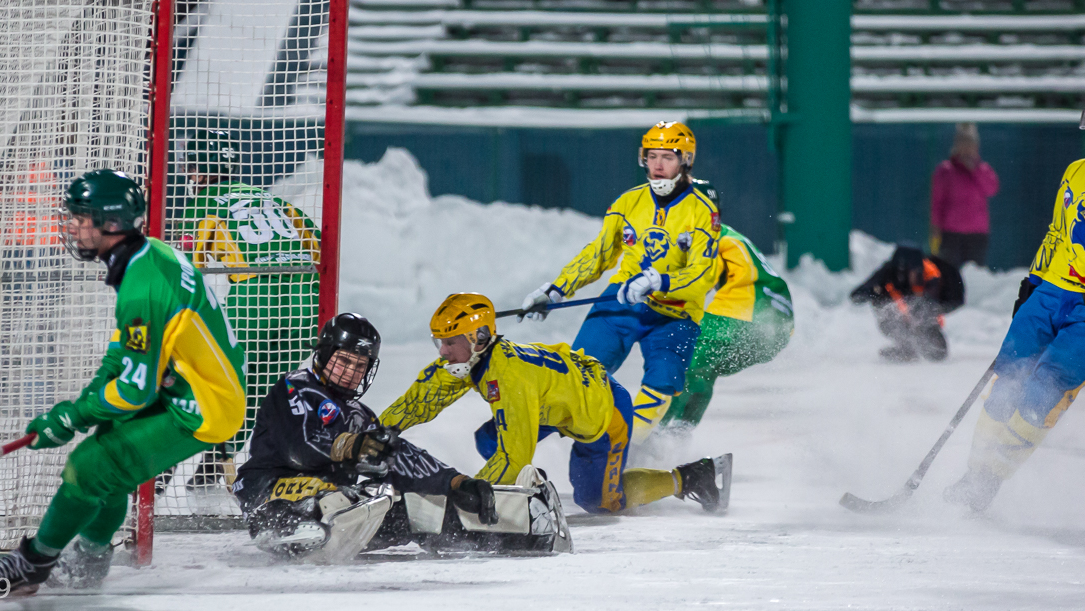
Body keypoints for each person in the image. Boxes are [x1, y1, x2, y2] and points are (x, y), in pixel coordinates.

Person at [0, 169, 247, 596]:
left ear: (111, 223)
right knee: (109, 465)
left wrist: (73, 416)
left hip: (202, 406)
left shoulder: (141, 287)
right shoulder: (149, 254)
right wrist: (84, 406)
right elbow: (124, 354)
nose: (71, 227)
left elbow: (135, 390)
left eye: (81, 218)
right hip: (183, 384)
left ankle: (33, 563)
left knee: (88, 466)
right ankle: (91, 561)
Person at [944, 87, 1085, 512]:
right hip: (1050, 294)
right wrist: (1033, 282)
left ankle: (989, 480)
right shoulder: (1076, 171)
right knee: (1006, 384)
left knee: (1042, 392)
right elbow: (1057, 234)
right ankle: (972, 474)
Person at [380, 293, 732, 516]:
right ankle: (523, 492)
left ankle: (691, 477)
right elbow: (420, 399)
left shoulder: (509, 378)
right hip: (557, 402)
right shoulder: (472, 357)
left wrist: (462, 501)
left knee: (600, 502)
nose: (442, 352)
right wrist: (374, 431)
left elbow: (514, 456)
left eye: (449, 343)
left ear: (479, 338)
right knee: (489, 440)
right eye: (439, 342)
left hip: (602, 410)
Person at [234, 312, 507, 559]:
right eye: (344, 361)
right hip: (268, 487)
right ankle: (288, 529)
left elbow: (398, 455)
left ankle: (491, 535)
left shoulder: (360, 415)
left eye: (360, 365)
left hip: (334, 501)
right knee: (327, 495)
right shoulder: (295, 386)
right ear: (325, 354)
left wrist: (456, 482)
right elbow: (299, 447)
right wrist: (352, 446)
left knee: (415, 508)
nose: (351, 372)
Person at [519, 122, 722, 441]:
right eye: (652, 156)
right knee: (578, 372)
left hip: (677, 312)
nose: (657, 165)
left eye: (667, 157)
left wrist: (659, 281)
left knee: (663, 380)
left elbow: (703, 273)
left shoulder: (703, 211)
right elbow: (599, 253)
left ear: (686, 161)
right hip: (624, 299)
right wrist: (557, 289)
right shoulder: (628, 202)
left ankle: (627, 448)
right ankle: (516, 440)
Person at [178, 128, 320, 483]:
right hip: (308, 299)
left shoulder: (202, 203)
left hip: (256, 298)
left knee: (213, 379)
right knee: (258, 389)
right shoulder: (269, 198)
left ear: (198, 170)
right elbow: (318, 243)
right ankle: (213, 471)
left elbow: (186, 269)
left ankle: (162, 469)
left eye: (190, 167)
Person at [662, 225, 795, 430]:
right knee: (704, 370)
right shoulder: (730, 236)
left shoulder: (704, 236)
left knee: (684, 361)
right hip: (776, 329)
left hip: (744, 315)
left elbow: (698, 282)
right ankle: (679, 433)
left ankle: (654, 430)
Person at [849, 246, 965, 363]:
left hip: (925, 320)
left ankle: (918, 342)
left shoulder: (937, 273)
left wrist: (930, 312)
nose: (916, 275)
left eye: (918, 270)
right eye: (914, 271)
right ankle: (906, 347)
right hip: (896, 319)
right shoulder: (888, 272)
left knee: (937, 353)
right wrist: (875, 291)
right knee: (887, 305)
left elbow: (956, 299)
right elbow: (857, 296)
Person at [931, 123, 1000, 267]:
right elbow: (937, 202)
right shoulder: (946, 170)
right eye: (963, 143)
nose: (967, 147)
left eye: (970, 143)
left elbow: (992, 189)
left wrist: (975, 170)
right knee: (949, 271)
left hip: (977, 233)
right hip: (951, 232)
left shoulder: (984, 170)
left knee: (974, 272)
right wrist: (935, 227)